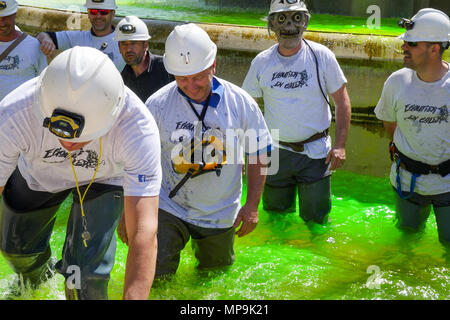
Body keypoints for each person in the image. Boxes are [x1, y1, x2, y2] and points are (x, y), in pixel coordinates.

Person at [0, 46, 162, 300]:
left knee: (84, 278)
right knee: (16, 251)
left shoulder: (137, 128)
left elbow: (144, 231)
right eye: (58, 132)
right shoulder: (14, 112)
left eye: (80, 139)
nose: (68, 145)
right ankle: (40, 282)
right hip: (40, 175)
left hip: (105, 177)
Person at [130, 23, 272, 278]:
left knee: (213, 278)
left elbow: (259, 153)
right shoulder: (158, 104)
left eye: (198, 77)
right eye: (182, 79)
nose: (191, 85)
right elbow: (138, 158)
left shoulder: (241, 104)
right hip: (169, 204)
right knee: (156, 271)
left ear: (213, 65)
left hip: (219, 211)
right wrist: (127, 212)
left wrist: (252, 205)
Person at [242, 0, 351, 228]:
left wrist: (339, 145)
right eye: (282, 19)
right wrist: (245, 153)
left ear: (306, 22)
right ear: (271, 24)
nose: (289, 26)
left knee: (317, 223)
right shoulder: (262, 62)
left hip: (315, 153)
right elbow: (247, 109)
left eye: (296, 18)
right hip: (276, 152)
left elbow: (341, 101)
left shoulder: (322, 57)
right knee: (275, 220)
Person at [374, 9, 450, 250]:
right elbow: (390, 123)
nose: (403, 47)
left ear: (435, 49)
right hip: (406, 181)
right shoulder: (397, 82)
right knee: (405, 243)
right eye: (405, 42)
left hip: (448, 185)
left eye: (412, 43)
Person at [36, 0, 125, 71]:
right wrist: (46, 40)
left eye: (104, 12)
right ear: (88, 14)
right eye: (93, 11)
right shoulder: (77, 38)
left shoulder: (125, 41)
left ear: (113, 14)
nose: (98, 16)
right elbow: (42, 35)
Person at [115, 16, 174, 103]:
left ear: (145, 45)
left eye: (133, 43)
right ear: (119, 47)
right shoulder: (121, 80)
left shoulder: (167, 68)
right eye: (124, 44)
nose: (128, 49)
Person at [0, 0, 47, 101]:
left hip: (19, 114)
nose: (2, 23)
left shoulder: (34, 46)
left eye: (6, 17)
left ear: (15, 14)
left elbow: (44, 82)